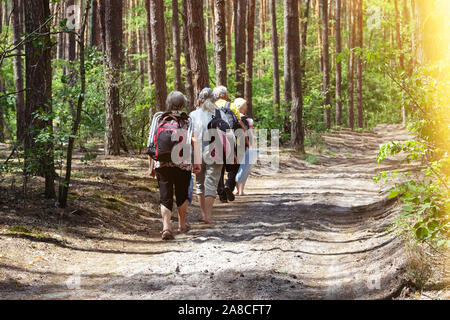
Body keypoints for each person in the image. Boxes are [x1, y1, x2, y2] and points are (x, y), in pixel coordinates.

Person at [148, 91, 201, 240]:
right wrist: (197, 163)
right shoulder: (187, 119)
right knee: (181, 194)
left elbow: (151, 142)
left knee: (165, 195)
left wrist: (151, 166)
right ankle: (182, 225)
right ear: (183, 104)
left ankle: (166, 227)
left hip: (162, 162)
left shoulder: (159, 118)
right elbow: (195, 141)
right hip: (182, 162)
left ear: (168, 103)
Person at [189, 88, 230, 223]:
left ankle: (203, 214)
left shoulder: (193, 115)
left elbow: (189, 135)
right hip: (215, 150)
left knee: (200, 183)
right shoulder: (220, 114)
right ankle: (208, 216)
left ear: (200, 100)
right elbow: (229, 135)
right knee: (211, 183)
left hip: (197, 151)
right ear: (214, 100)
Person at [213, 86, 248, 202]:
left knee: (219, 167)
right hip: (231, 138)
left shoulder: (211, 107)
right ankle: (229, 185)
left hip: (214, 139)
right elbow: (239, 123)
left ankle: (221, 194)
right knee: (235, 164)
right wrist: (246, 138)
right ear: (225, 95)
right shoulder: (231, 106)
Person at [234, 98, 257, 196]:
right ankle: (241, 190)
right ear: (242, 107)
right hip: (244, 145)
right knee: (244, 168)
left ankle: (236, 189)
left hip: (233, 145)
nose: (247, 107)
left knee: (235, 167)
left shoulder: (231, 117)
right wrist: (252, 145)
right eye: (245, 105)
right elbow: (250, 134)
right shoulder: (248, 120)